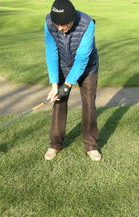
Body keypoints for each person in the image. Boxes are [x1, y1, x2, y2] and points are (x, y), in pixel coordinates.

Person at [44, 0, 101, 161]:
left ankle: (91, 146)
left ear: (73, 18)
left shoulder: (87, 24)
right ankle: (55, 143)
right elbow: (51, 52)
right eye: (57, 24)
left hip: (88, 67)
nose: (61, 28)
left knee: (89, 103)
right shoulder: (49, 23)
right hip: (63, 65)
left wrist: (68, 84)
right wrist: (55, 84)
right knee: (59, 100)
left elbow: (82, 59)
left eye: (64, 24)